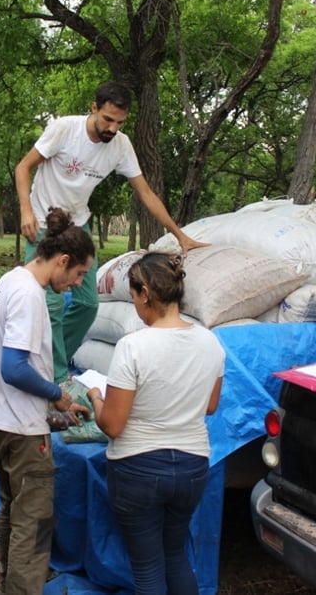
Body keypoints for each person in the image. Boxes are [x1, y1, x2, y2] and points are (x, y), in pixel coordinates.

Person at [16, 80, 209, 386]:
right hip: (43, 223)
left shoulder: (121, 145)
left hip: (78, 224)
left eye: (120, 122)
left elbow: (145, 192)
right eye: (107, 119)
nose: (112, 128)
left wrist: (179, 234)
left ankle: (55, 359)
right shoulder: (65, 129)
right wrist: (26, 211)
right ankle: (55, 376)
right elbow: (23, 167)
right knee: (50, 304)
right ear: (94, 108)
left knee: (88, 304)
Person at [86, 252, 225, 595]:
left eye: (133, 296)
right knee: (175, 555)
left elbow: (114, 426)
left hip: (138, 469)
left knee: (147, 568)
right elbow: (209, 406)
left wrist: (95, 398)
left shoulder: (133, 346)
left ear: (145, 292)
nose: (133, 304)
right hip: (192, 466)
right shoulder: (211, 342)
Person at [0, 207, 94, 595]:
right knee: (34, 519)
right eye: (78, 274)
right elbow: (14, 367)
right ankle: (22, 587)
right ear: (62, 261)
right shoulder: (29, 296)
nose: (77, 283)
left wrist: (57, 405)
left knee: (13, 506)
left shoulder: (11, 279)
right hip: (21, 429)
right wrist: (57, 394)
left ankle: (10, 578)